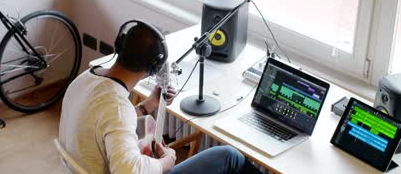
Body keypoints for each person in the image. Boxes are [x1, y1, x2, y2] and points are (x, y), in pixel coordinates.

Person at [59, 20, 261, 174]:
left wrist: (148, 104)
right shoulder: (118, 109)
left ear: (120, 45)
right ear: (155, 67)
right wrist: (167, 162)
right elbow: (128, 170)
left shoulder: (86, 79)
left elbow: (103, 121)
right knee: (229, 156)